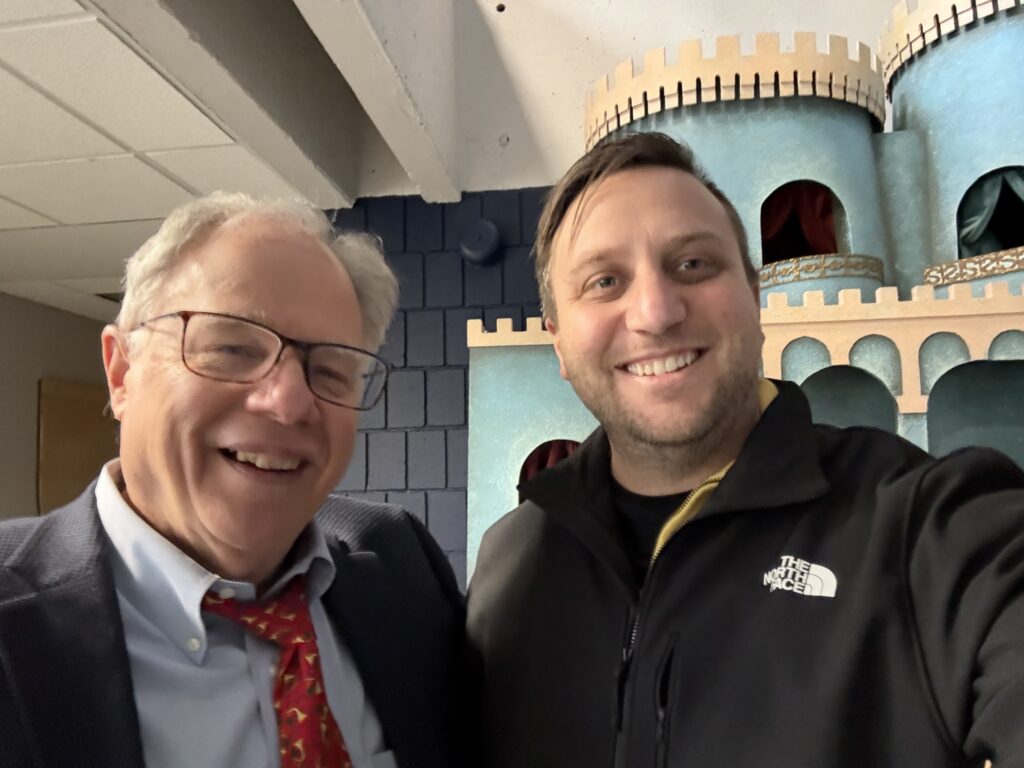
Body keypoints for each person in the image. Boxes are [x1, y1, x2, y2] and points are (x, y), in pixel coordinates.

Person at [467, 132, 1024, 767]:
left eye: (693, 265)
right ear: (559, 343)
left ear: (755, 299)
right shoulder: (509, 563)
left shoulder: (931, 525)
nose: (655, 311)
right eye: (605, 281)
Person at [0, 193, 469, 768]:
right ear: (121, 372)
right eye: (233, 348)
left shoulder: (401, 563)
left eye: (330, 370)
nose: (290, 401)